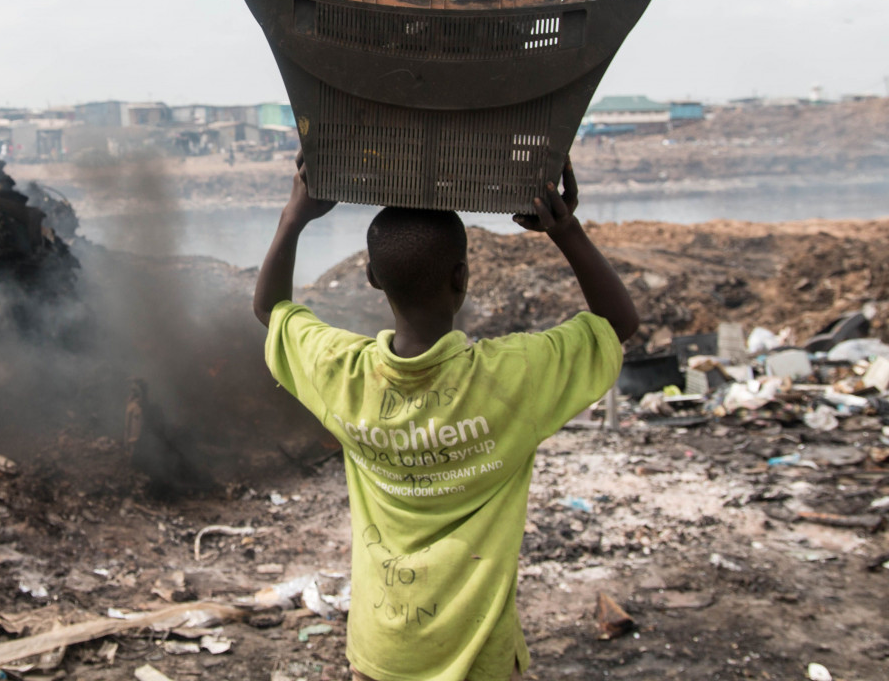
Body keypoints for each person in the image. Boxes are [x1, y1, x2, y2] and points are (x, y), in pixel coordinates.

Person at [253, 156, 638, 681]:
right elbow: (617, 322)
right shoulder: (513, 377)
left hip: (382, 653)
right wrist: (564, 229)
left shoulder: (342, 373)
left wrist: (293, 218)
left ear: (370, 277)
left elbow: (270, 309)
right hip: (479, 656)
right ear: (463, 277)